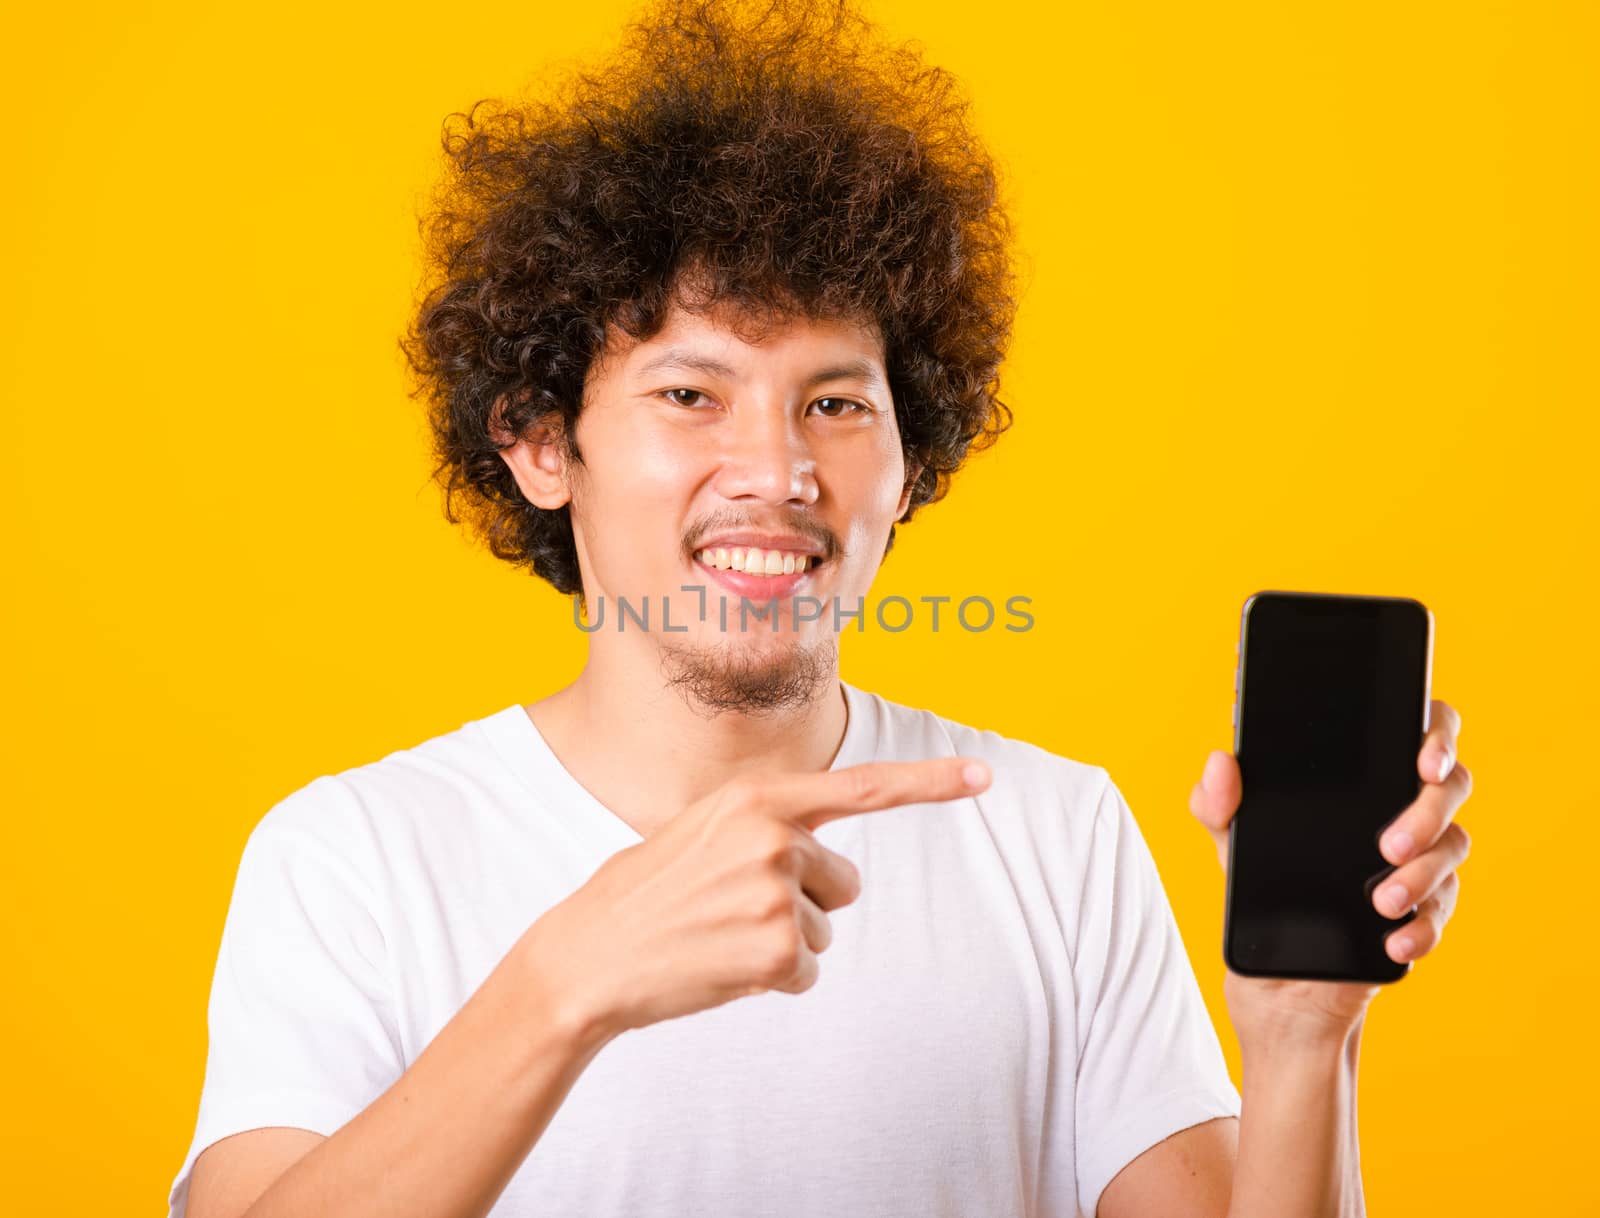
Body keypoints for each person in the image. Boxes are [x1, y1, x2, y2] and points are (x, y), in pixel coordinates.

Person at [168, 1, 1474, 1215]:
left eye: (835, 404)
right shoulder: (352, 855)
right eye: (692, 395)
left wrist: (1306, 1039)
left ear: (912, 464)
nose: (780, 473)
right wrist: (569, 981)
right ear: (538, 442)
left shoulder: (1057, 836)